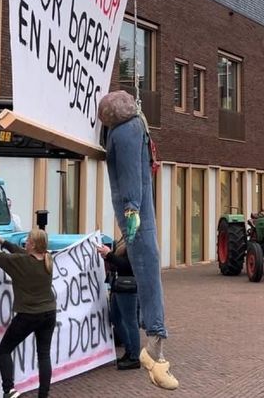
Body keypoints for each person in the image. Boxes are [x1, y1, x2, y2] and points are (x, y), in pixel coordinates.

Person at [98, 90, 179, 391]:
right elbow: (135, 177)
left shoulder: (124, 132)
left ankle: (155, 345)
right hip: (140, 213)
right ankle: (154, 346)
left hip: (137, 213)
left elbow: (131, 180)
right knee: (149, 267)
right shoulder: (134, 129)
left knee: (148, 266)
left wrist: (131, 219)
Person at [0, 229, 57, 398]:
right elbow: (23, 255)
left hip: (29, 315)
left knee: (4, 350)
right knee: (44, 355)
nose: (25, 241)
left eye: (27, 239)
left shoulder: (21, 262)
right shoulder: (48, 259)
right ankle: (43, 394)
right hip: (49, 312)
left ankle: (8, 390)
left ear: (32, 244)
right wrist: (3, 242)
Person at [97, 240, 140, 370]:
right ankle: (129, 349)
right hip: (118, 284)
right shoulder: (125, 240)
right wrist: (108, 256)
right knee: (115, 317)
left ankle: (134, 356)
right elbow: (118, 262)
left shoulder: (135, 243)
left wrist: (109, 255)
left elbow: (129, 265)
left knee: (130, 321)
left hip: (127, 286)